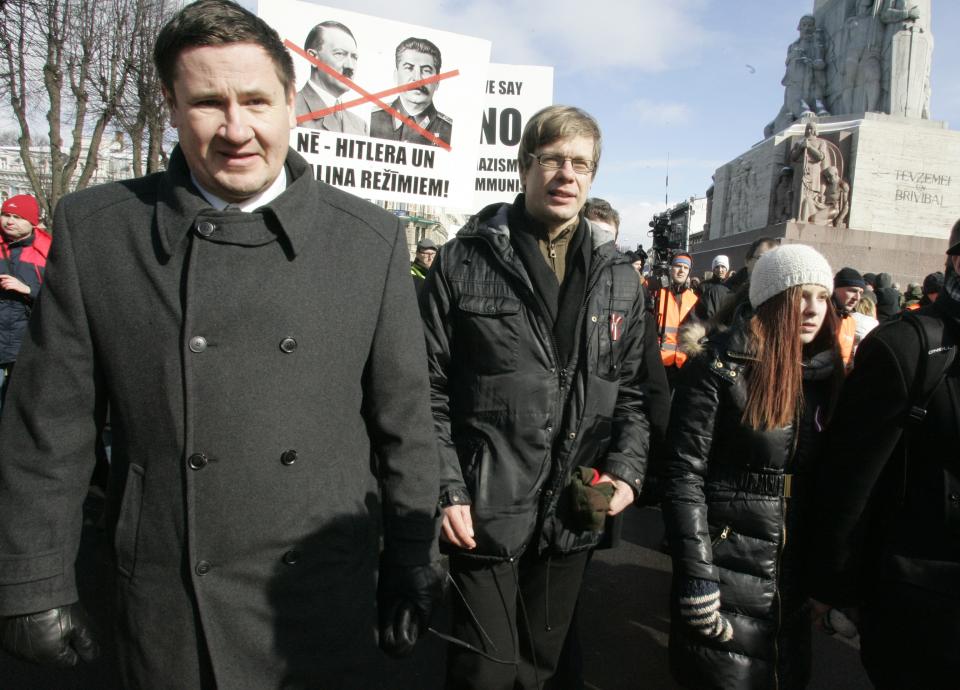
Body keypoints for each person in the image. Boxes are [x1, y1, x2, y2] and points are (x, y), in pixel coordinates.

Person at [0, 2, 441, 688]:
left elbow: (405, 423)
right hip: (170, 598)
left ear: (292, 103)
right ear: (172, 108)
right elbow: (47, 430)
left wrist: (413, 559)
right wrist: (32, 584)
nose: (237, 129)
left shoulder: (369, 240)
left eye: (257, 100)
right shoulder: (99, 233)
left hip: (318, 596)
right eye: (208, 102)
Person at [420, 104, 653, 690]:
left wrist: (625, 470)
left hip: (575, 506)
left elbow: (631, 394)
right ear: (524, 166)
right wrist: (447, 487)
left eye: (580, 163)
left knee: (541, 671)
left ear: (593, 177)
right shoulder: (464, 259)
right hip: (484, 505)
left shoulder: (620, 276)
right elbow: (428, 388)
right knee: (485, 673)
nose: (566, 174)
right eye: (551, 159)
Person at [663, 243, 842, 690]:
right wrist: (697, 575)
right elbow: (683, 475)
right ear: (771, 299)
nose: (813, 309)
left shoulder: (824, 374)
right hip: (727, 566)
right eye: (800, 294)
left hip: (791, 578)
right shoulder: (719, 365)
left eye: (823, 297)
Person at [808, 219, 960, 689]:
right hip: (924, 607)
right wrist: (834, 590)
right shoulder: (910, 348)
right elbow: (850, 482)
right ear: (953, 262)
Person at [0, 194, 51, 408]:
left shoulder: (47, 250)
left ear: (32, 222)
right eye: (5, 215)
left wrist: (28, 289)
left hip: (27, 341)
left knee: (21, 405)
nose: (10, 221)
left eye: (17, 217)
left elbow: (60, 294)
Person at [370, 37, 452, 147]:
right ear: (396, 76)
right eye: (409, 68)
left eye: (426, 70)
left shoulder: (450, 131)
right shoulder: (371, 119)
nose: (417, 78)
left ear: (437, 82)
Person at [295, 20, 369, 134]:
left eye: (354, 57)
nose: (350, 66)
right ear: (313, 58)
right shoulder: (287, 110)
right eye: (339, 54)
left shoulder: (360, 127)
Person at [654, 252, 699, 386]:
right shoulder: (659, 295)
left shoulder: (694, 300)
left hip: (683, 365)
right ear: (670, 268)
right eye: (678, 266)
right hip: (659, 363)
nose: (681, 271)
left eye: (685, 268)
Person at [832, 267, 865, 370]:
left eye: (860, 293)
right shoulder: (820, 317)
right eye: (853, 290)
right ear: (835, 289)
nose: (857, 297)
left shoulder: (850, 321)